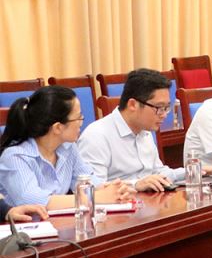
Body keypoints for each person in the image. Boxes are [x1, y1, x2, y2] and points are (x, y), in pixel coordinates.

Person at [0, 85, 134, 207]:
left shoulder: (68, 147)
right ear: (58, 127)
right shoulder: (15, 157)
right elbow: (34, 201)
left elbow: (87, 180)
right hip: (26, 225)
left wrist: (113, 189)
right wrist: (95, 197)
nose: (82, 121)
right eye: (78, 117)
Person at [77, 68, 187, 190]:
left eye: (166, 107)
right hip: (120, 201)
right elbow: (92, 189)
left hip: (148, 200)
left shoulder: (144, 131)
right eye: (159, 108)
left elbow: (158, 172)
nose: (164, 115)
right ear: (132, 105)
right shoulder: (96, 136)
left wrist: (192, 171)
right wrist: (136, 185)